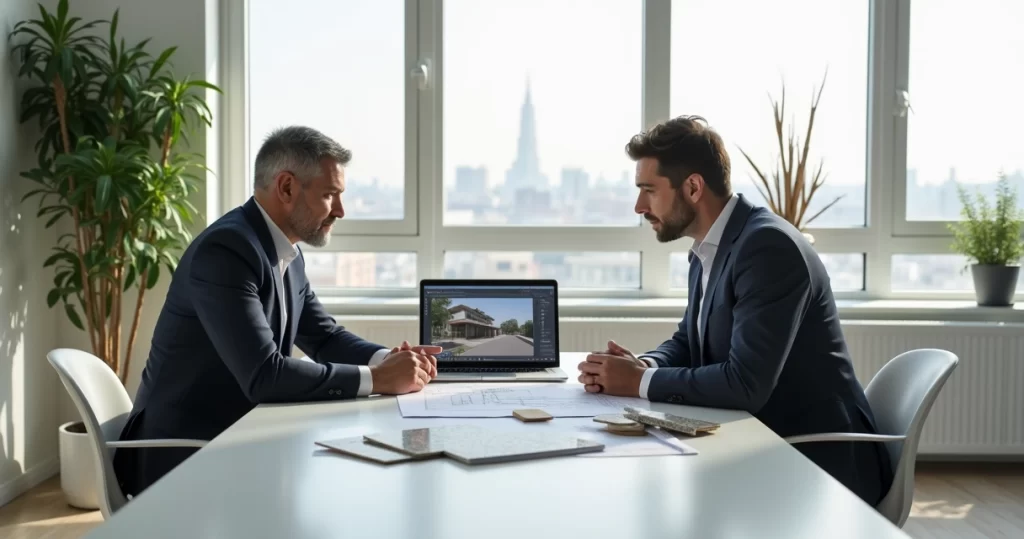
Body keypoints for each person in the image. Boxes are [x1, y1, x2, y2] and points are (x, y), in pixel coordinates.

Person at [578, 115, 894, 507]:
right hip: (761, 441)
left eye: (649, 190)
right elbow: (688, 341)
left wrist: (639, 382)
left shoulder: (767, 248)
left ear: (693, 187)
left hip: (820, 462)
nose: (639, 206)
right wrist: (643, 364)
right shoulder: (710, 247)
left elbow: (745, 384)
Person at [113, 125, 441, 496]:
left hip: (239, 437)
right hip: (183, 455)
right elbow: (264, 375)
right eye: (330, 195)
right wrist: (379, 379)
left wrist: (390, 360)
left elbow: (323, 336)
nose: (340, 210)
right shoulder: (226, 250)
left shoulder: (287, 252)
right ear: (286, 188)